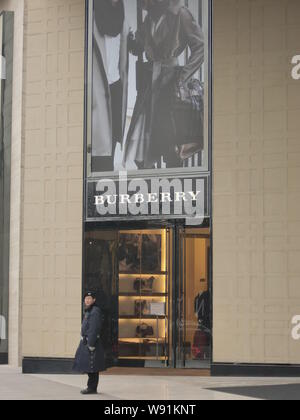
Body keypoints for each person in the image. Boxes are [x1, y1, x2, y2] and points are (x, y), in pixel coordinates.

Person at [124, 0, 205, 169]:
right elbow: (138, 46)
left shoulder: (180, 13)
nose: (140, 2)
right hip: (149, 85)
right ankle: (149, 183)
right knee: (141, 146)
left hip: (170, 83)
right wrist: (126, 33)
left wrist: (182, 77)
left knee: (171, 147)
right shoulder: (149, 18)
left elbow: (201, 47)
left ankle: (172, 186)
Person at [92, 0, 130, 172]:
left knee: (111, 143)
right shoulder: (91, 17)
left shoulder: (121, 19)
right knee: (97, 150)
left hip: (115, 89)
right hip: (96, 91)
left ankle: (103, 186)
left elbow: (123, 62)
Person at [73, 291, 106, 395]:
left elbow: (94, 328)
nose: (87, 300)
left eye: (89, 298)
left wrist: (91, 344)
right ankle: (91, 387)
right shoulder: (89, 310)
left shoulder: (95, 311)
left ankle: (91, 388)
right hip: (86, 341)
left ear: (94, 300)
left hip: (91, 342)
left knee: (92, 366)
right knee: (88, 365)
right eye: (86, 298)